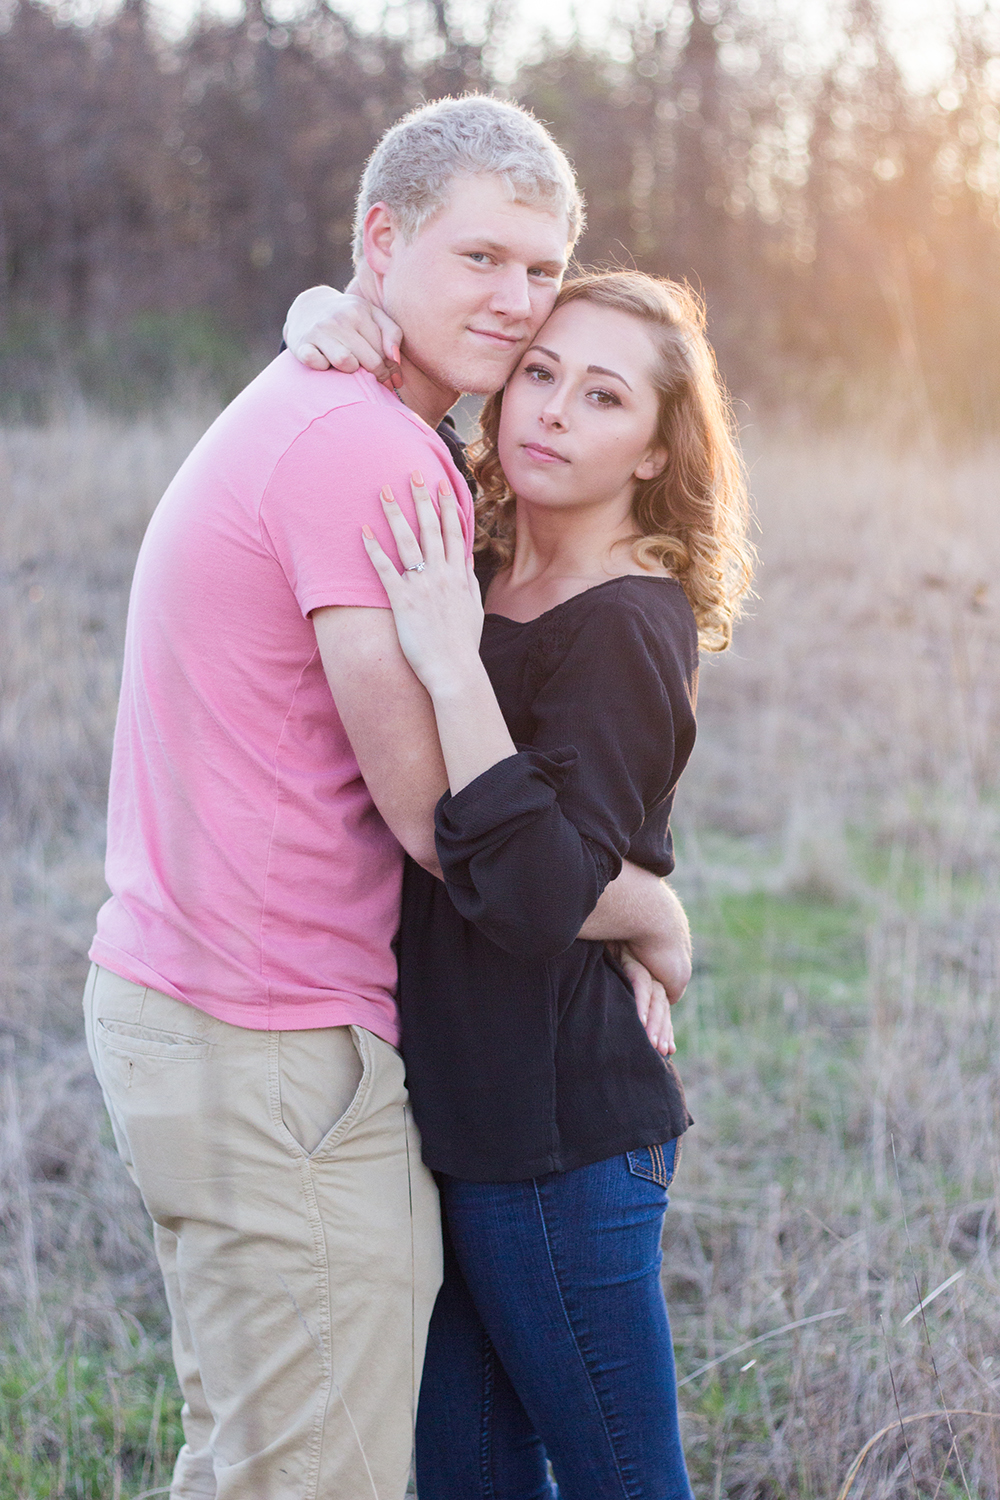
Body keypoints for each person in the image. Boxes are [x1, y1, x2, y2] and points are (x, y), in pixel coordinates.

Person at [83, 96, 692, 1500]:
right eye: (481, 258)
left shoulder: (366, 435)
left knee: (276, 1459)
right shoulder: (377, 452)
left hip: (316, 1044)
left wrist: (338, 311)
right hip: (270, 1038)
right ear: (379, 241)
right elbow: (443, 822)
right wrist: (649, 911)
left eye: (539, 270)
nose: (516, 304)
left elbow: (541, 806)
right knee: (305, 1471)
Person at [359, 270, 754, 1497]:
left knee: (622, 1483)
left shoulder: (628, 622)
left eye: (602, 396)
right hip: (456, 1118)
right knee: (467, 1481)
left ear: (654, 451)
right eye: (539, 372)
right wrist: (320, 318)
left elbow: (538, 892)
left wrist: (448, 662)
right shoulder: (472, 555)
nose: (552, 410)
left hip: (556, 1137)